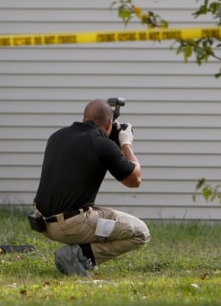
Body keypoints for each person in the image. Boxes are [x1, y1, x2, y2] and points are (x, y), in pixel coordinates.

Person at [32, 98, 151, 276]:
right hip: (73, 226)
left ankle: (77, 254)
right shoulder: (102, 145)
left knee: (92, 212)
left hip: (43, 222)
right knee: (141, 233)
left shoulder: (57, 136)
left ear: (84, 117)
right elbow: (135, 180)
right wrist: (126, 143)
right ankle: (80, 255)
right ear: (109, 123)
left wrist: (110, 143)